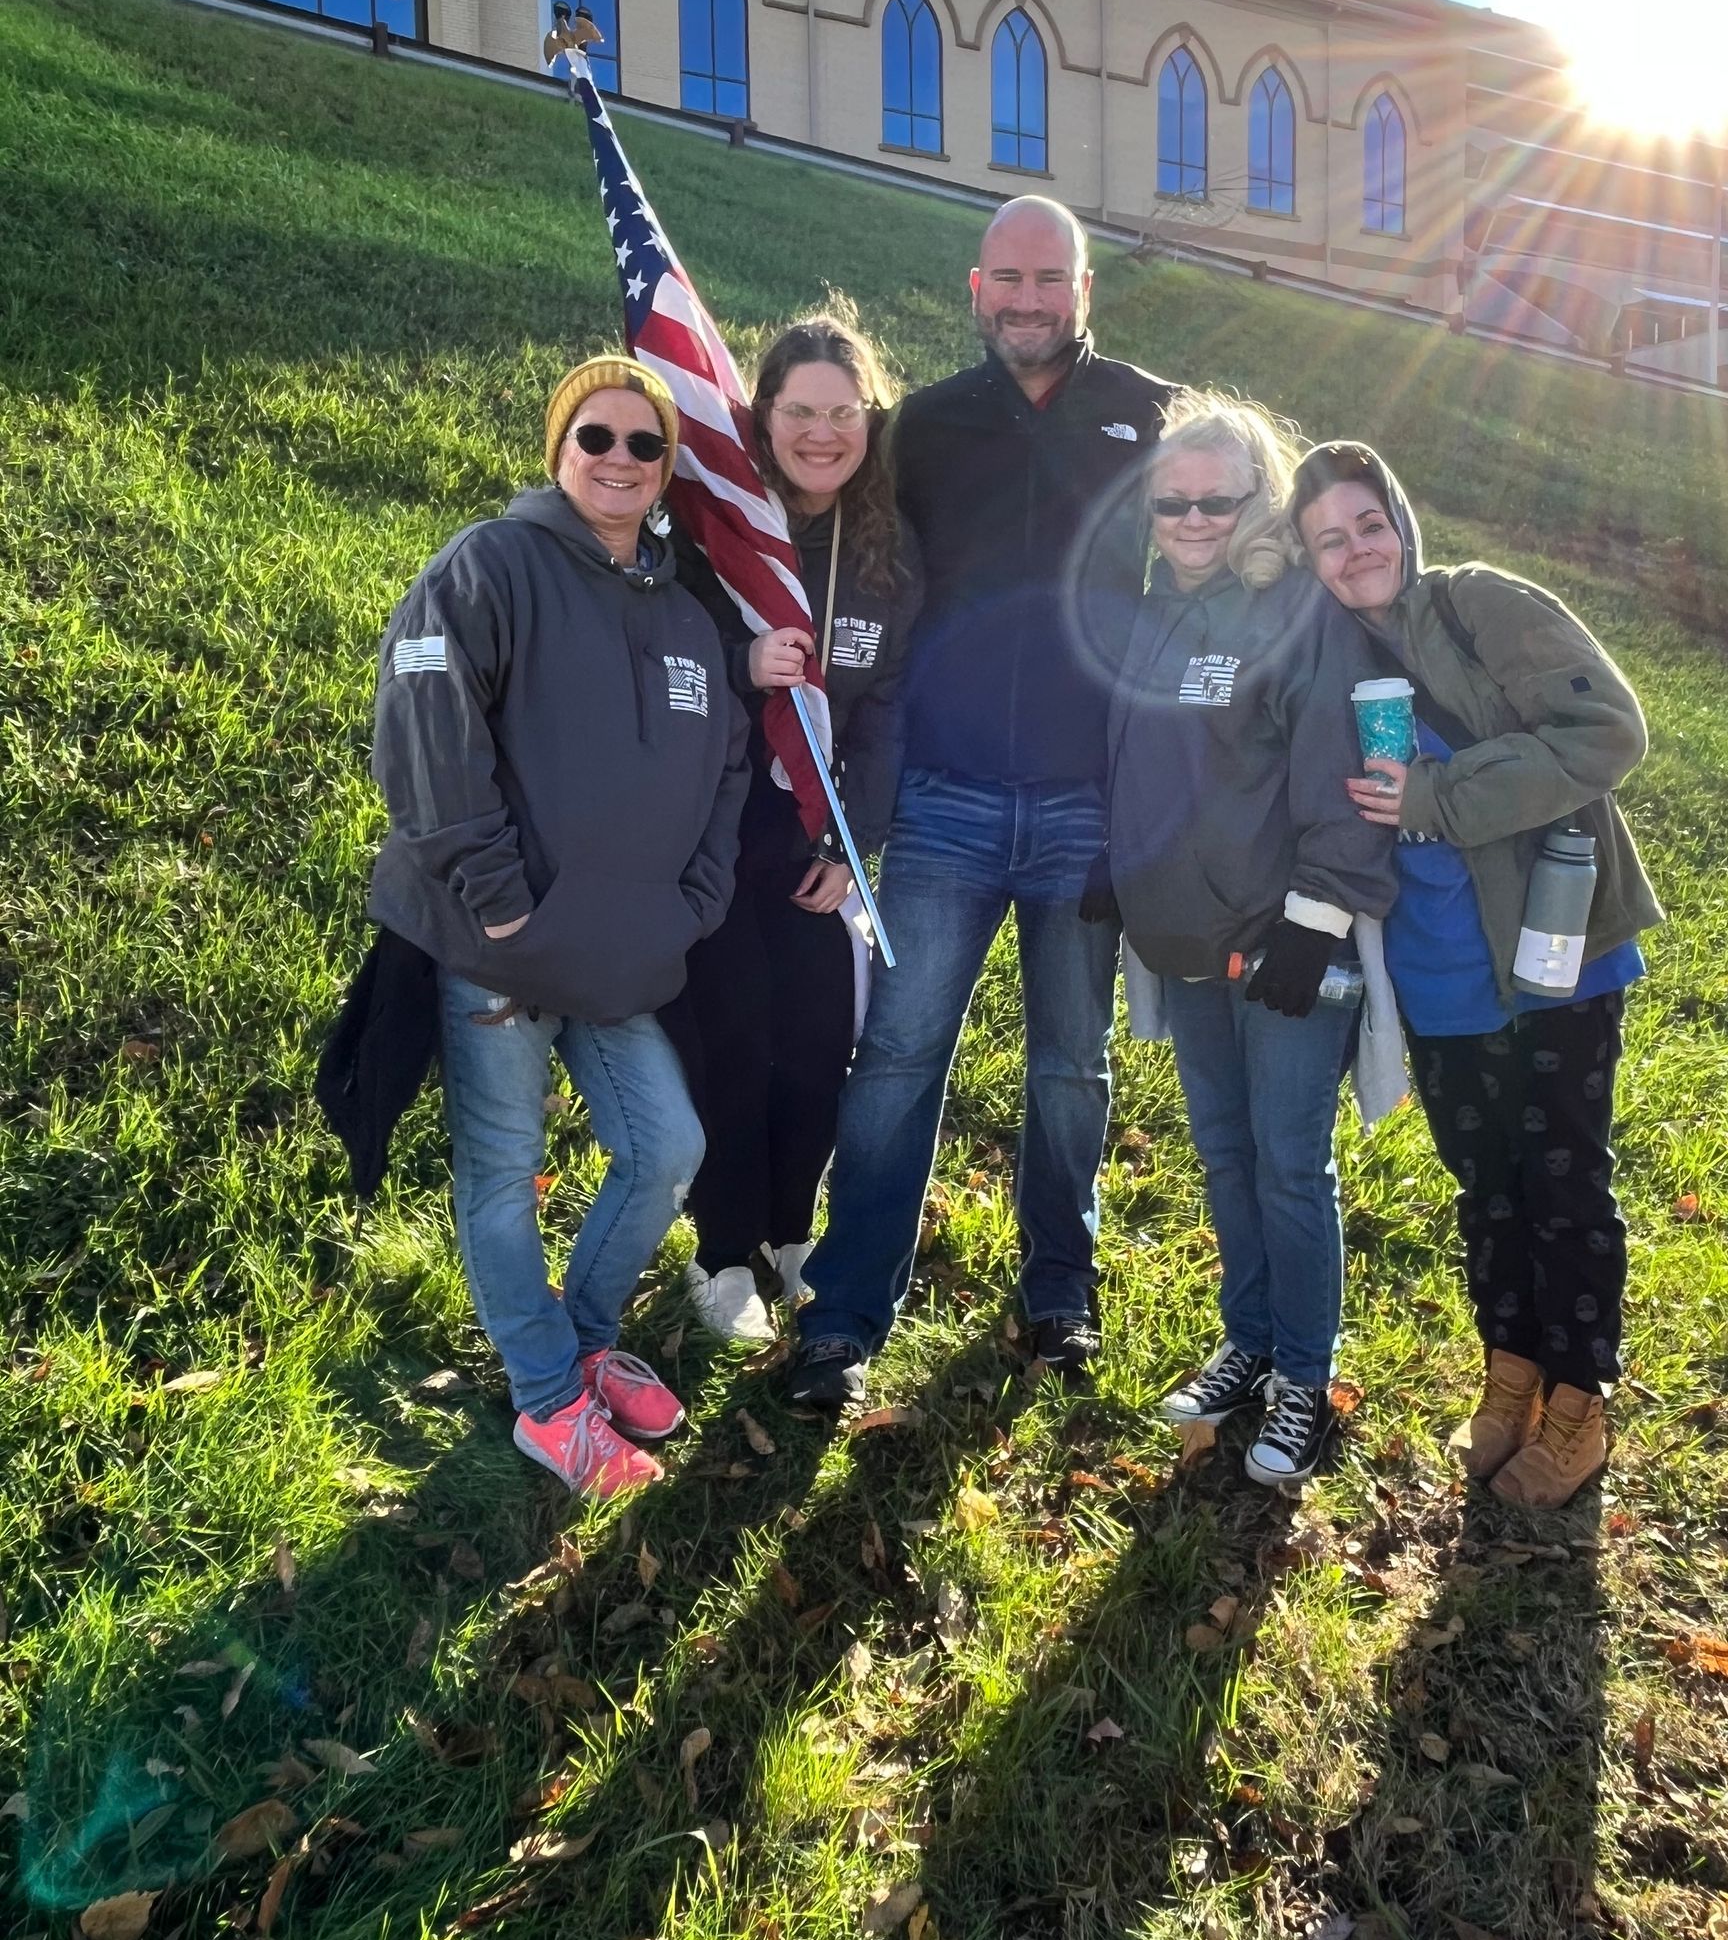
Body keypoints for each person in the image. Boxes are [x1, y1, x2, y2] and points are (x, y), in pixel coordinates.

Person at [786, 197, 1172, 1408]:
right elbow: (836, 541)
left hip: (1088, 803)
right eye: (1006, 276)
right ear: (972, 286)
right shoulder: (923, 429)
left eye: (1048, 277)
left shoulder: (1154, 416)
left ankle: (1060, 1293)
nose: (1026, 298)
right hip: (945, 796)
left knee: (1072, 1067)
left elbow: (1231, 557)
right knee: (898, 1053)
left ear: (1084, 286)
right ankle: (845, 1316)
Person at [368, 357, 748, 1499]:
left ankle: (578, 1338)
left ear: (668, 469)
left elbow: (727, 769)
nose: (619, 460)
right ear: (559, 449)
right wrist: (496, 893)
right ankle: (546, 1402)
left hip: (625, 951)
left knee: (667, 1147)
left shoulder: (688, 620)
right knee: (503, 1172)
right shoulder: (490, 562)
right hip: (497, 944)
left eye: (645, 445)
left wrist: (696, 904)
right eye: (597, 437)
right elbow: (425, 715)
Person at [1289, 441, 1663, 1509]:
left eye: (1369, 523)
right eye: (1330, 537)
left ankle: (1581, 1402)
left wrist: (1438, 797)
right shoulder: (1326, 656)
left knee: (1564, 1179)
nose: (1356, 549)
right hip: (1436, 973)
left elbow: (1607, 727)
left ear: (1401, 521)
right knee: (1485, 1186)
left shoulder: (1476, 605)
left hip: (1554, 953)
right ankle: (1511, 1372)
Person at [1097, 393, 1397, 1486]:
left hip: (1284, 953)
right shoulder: (1151, 609)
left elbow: (1344, 782)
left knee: (1287, 1166)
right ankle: (1252, 1339)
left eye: (1215, 499)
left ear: (1257, 496)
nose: (1189, 518)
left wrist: (1312, 926)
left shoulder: (1295, 613)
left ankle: (1305, 1382)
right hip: (1187, 943)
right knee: (1226, 1155)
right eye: (1171, 499)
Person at [674, 306, 920, 1343]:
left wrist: (849, 843)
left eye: (843, 412)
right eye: (799, 411)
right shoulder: (715, 527)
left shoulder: (887, 549)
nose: (823, 432)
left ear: (868, 418)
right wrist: (742, 667)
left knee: (819, 1042)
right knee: (733, 1037)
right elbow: (664, 668)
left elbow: (891, 709)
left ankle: (788, 1226)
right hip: (716, 826)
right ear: (762, 413)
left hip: (820, 838)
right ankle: (720, 1248)